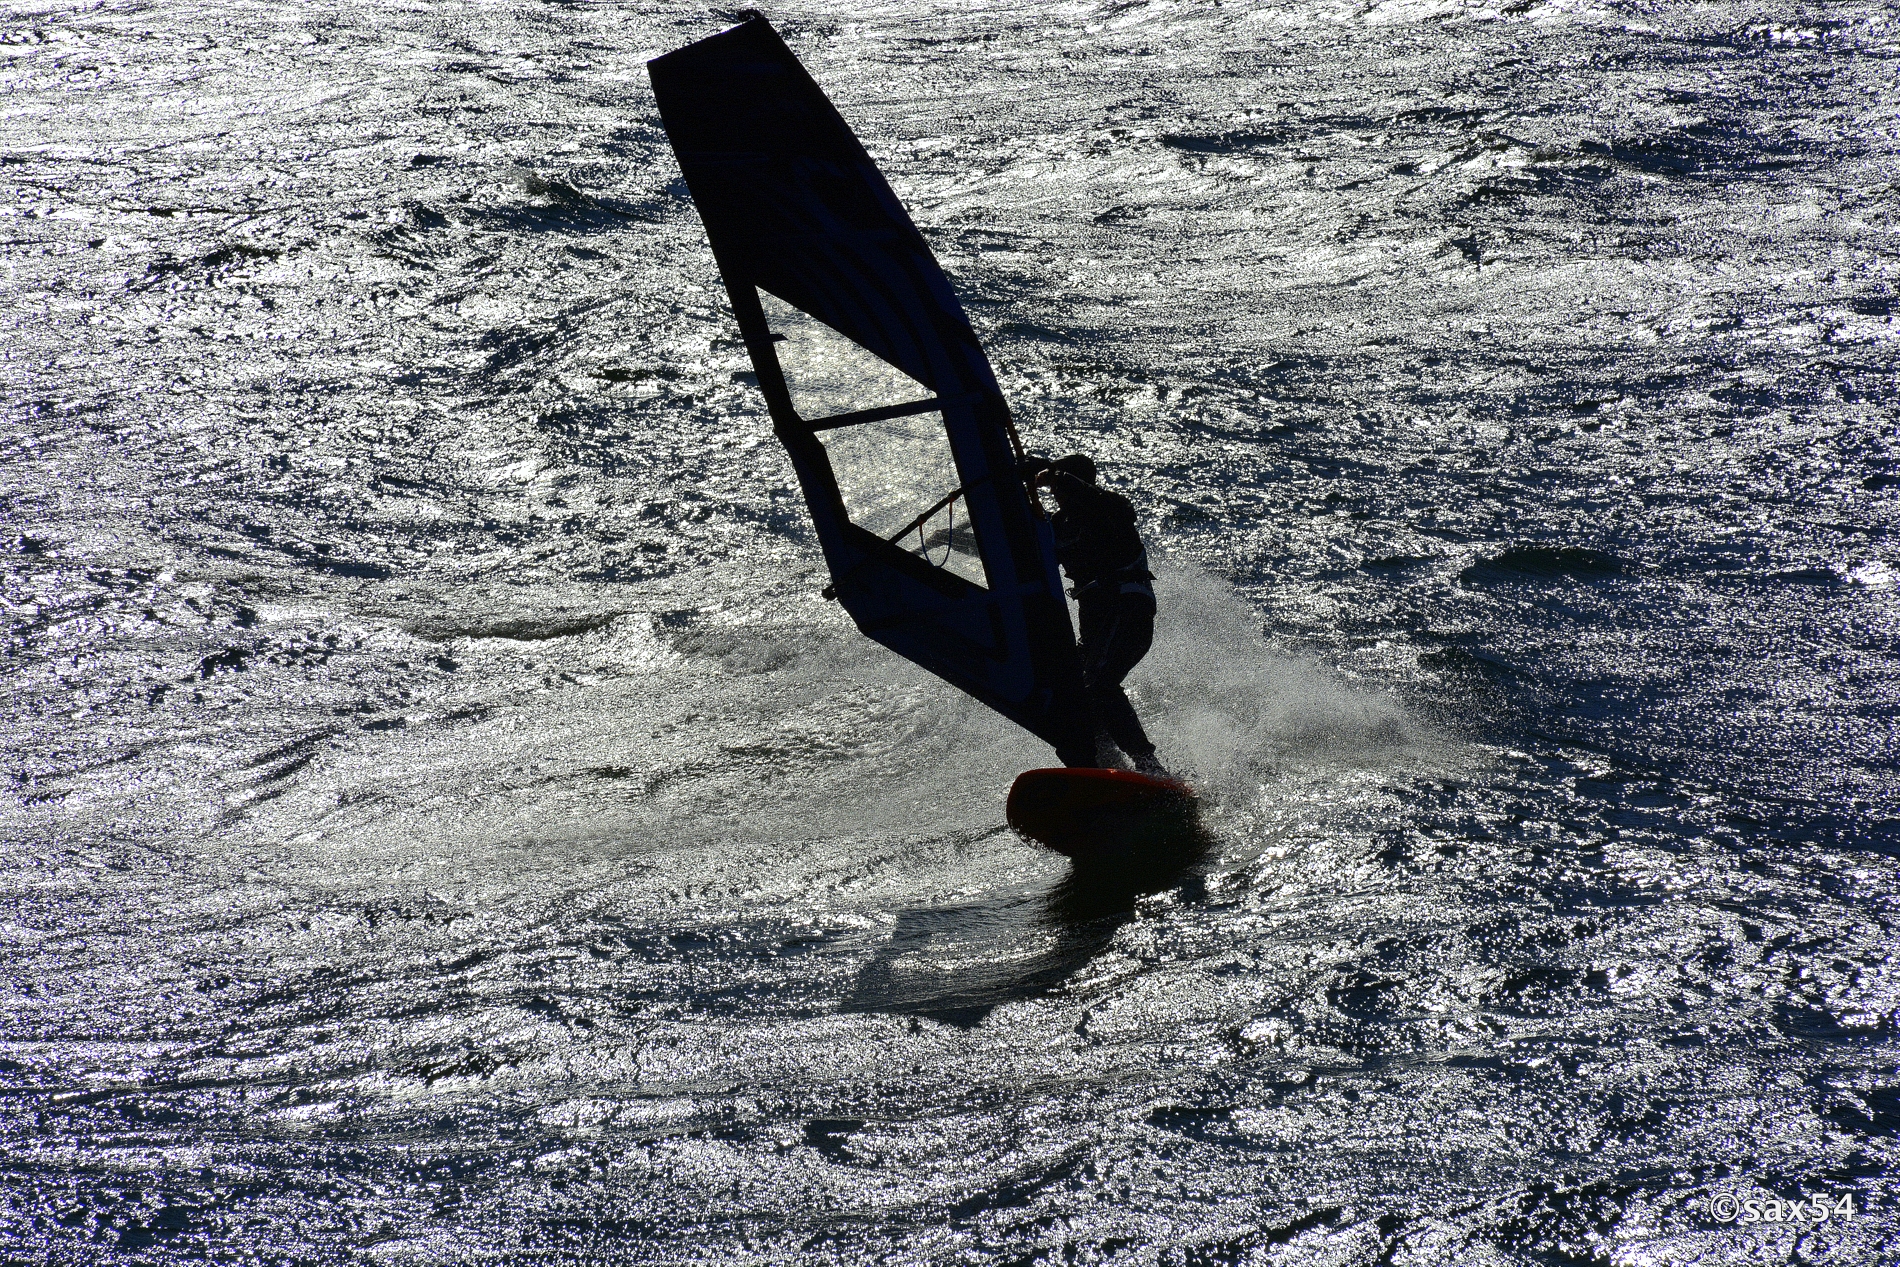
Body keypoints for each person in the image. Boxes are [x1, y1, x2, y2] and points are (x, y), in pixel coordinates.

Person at [1029, 454, 1171, 779]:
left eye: (1062, 487)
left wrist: (1055, 475)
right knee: (1068, 688)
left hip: (1128, 611)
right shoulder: (1059, 527)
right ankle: (1105, 765)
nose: (1057, 495)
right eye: (1055, 490)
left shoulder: (1113, 510)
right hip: (1096, 625)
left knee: (1100, 683)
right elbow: (1023, 549)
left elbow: (1095, 500)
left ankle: (1148, 764)